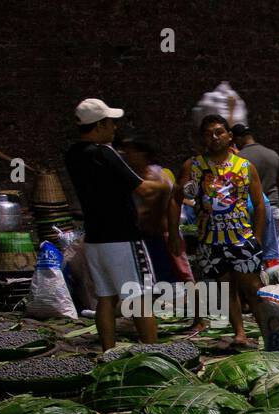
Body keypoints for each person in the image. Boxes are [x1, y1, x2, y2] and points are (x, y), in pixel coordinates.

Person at [64, 98, 167, 351]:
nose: (114, 128)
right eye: (110, 122)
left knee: (106, 299)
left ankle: (108, 351)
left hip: (95, 238)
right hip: (122, 237)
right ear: (99, 125)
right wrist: (166, 185)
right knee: (139, 298)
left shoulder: (72, 155)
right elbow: (143, 189)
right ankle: (153, 353)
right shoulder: (104, 153)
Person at [169, 114, 267, 345]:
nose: (214, 137)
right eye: (208, 134)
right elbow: (175, 199)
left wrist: (257, 236)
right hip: (210, 240)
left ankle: (269, 335)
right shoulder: (193, 166)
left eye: (219, 132)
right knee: (225, 288)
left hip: (241, 237)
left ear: (229, 136)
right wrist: (173, 233)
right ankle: (240, 333)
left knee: (253, 288)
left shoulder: (245, 166)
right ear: (201, 138)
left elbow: (260, 204)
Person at [121, 135, 190, 283]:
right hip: (146, 238)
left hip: (165, 236)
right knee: (153, 280)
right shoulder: (133, 177)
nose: (127, 156)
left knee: (181, 277)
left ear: (143, 154)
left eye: (130, 152)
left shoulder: (157, 176)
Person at [233, 123, 279, 265]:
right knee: (275, 253)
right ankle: (276, 276)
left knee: (253, 252)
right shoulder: (273, 154)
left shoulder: (238, 159)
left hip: (249, 210)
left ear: (238, 139)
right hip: (273, 206)